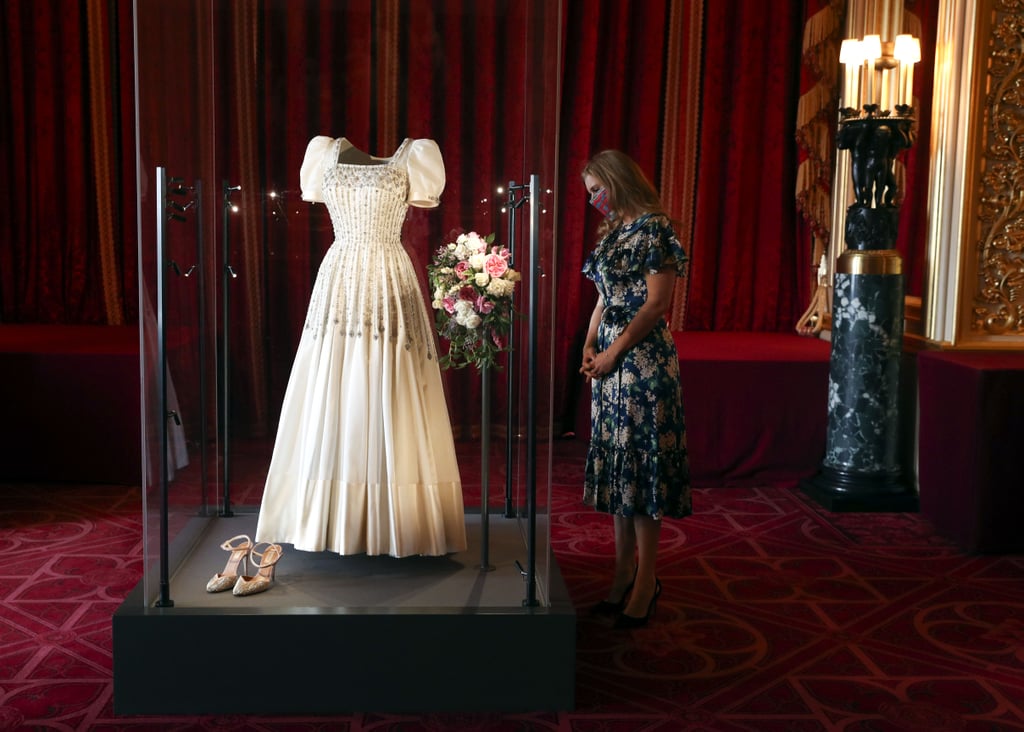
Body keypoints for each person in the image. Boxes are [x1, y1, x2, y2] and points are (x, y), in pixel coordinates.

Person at [255, 135, 467, 558]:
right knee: (335, 379)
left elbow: (424, 199)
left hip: (390, 273)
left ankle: (399, 520)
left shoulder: (418, 155)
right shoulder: (321, 151)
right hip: (341, 275)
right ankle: (327, 519)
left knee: (391, 382)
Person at [579, 149, 692, 629]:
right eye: (588, 194)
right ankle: (623, 570)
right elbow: (604, 298)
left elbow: (656, 304)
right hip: (609, 365)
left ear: (616, 181)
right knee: (618, 466)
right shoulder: (613, 234)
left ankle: (647, 579)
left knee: (642, 469)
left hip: (643, 362)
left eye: (595, 190)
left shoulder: (655, 228)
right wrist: (588, 345)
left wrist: (614, 351)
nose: (593, 201)